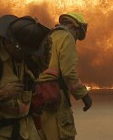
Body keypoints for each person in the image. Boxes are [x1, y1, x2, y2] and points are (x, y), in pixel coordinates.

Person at [0, 14, 50, 140]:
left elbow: (39, 69)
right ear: (13, 44)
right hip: (0, 132)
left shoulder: (23, 53)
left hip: (26, 128)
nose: (27, 55)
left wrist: (46, 51)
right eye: (24, 52)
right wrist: (1, 94)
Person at [36, 12, 92, 140]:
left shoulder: (48, 36)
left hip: (38, 97)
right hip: (55, 96)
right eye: (77, 34)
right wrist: (83, 95)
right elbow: (68, 72)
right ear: (73, 26)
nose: (76, 38)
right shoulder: (66, 37)